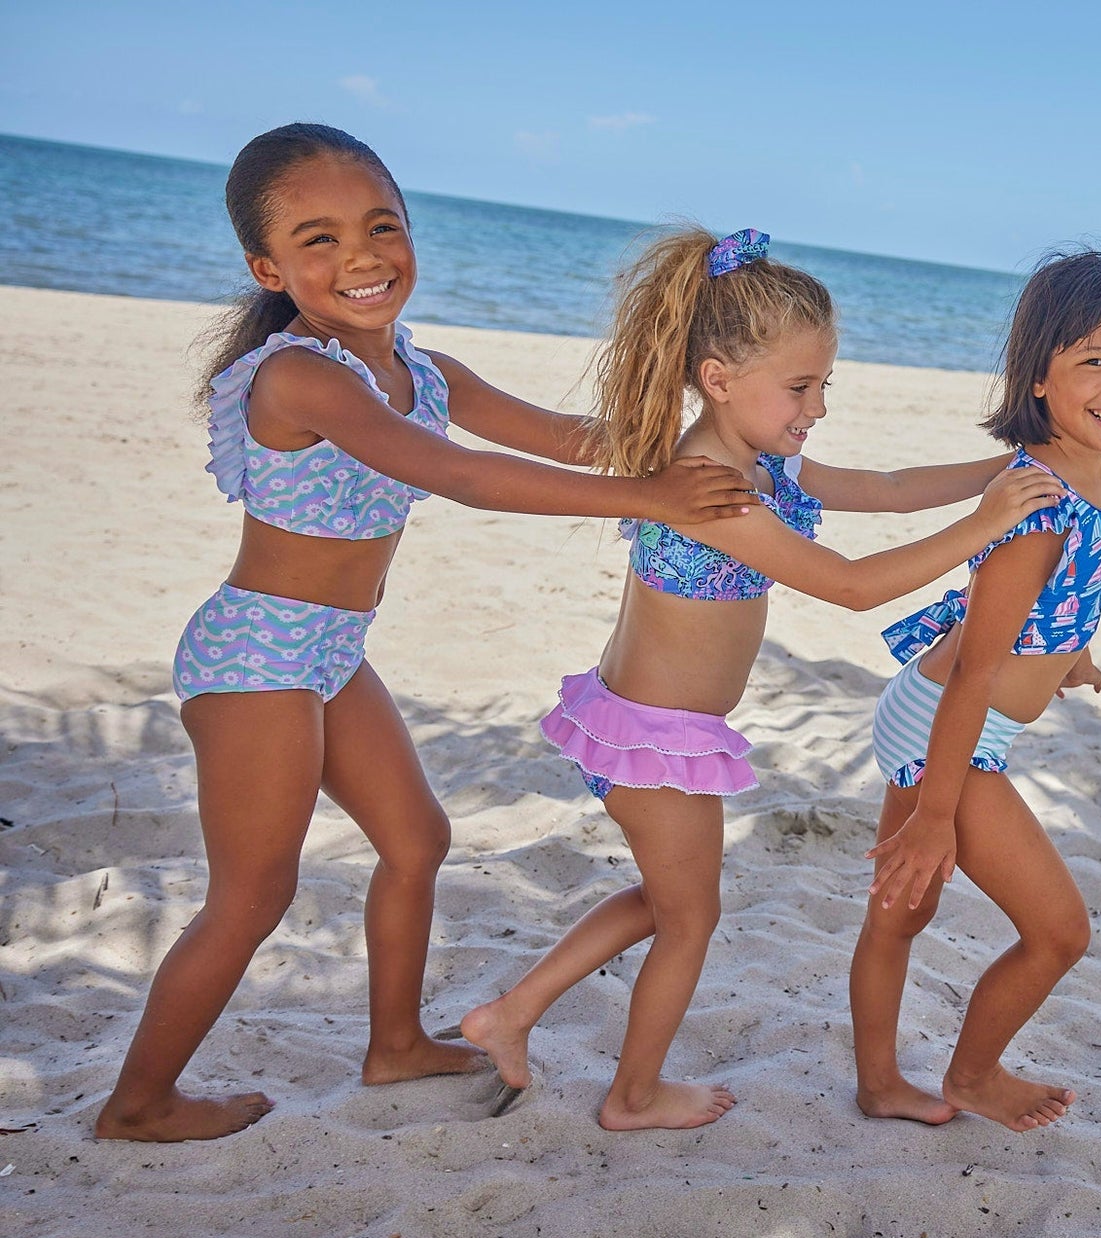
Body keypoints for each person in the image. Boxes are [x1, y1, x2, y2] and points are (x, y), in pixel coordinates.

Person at [94, 124, 756, 1144]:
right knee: (254, 889)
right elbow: (458, 475)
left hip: (329, 651)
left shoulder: (423, 370)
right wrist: (647, 497)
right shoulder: (299, 377)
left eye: (380, 225)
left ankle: (394, 1041)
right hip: (254, 655)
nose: (360, 255)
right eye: (318, 240)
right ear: (268, 270)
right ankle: (139, 1102)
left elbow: (575, 439)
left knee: (417, 839)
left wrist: (723, 426)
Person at [459, 228, 1062, 1131]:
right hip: (654, 739)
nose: (816, 407)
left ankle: (509, 1015)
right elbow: (852, 586)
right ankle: (631, 1096)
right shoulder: (714, 489)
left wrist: (1010, 470)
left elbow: (887, 486)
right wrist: (986, 525)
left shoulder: (764, 466)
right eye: (800, 387)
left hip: (642, 723)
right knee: (690, 919)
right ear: (717, 377)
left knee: (665, 903)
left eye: (824, 386)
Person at [849, 249, 1101, 1131]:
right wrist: (936, 812)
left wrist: (1074, 655)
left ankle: (880, 1084)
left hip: (952, 717)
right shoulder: (1034, 503)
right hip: (949, 729)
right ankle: (973, 1076)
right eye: (1093, 361)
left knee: (898, 917)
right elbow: (981, 670)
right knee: (1060, 930)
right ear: (1039, 375)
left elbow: (1076, 591)